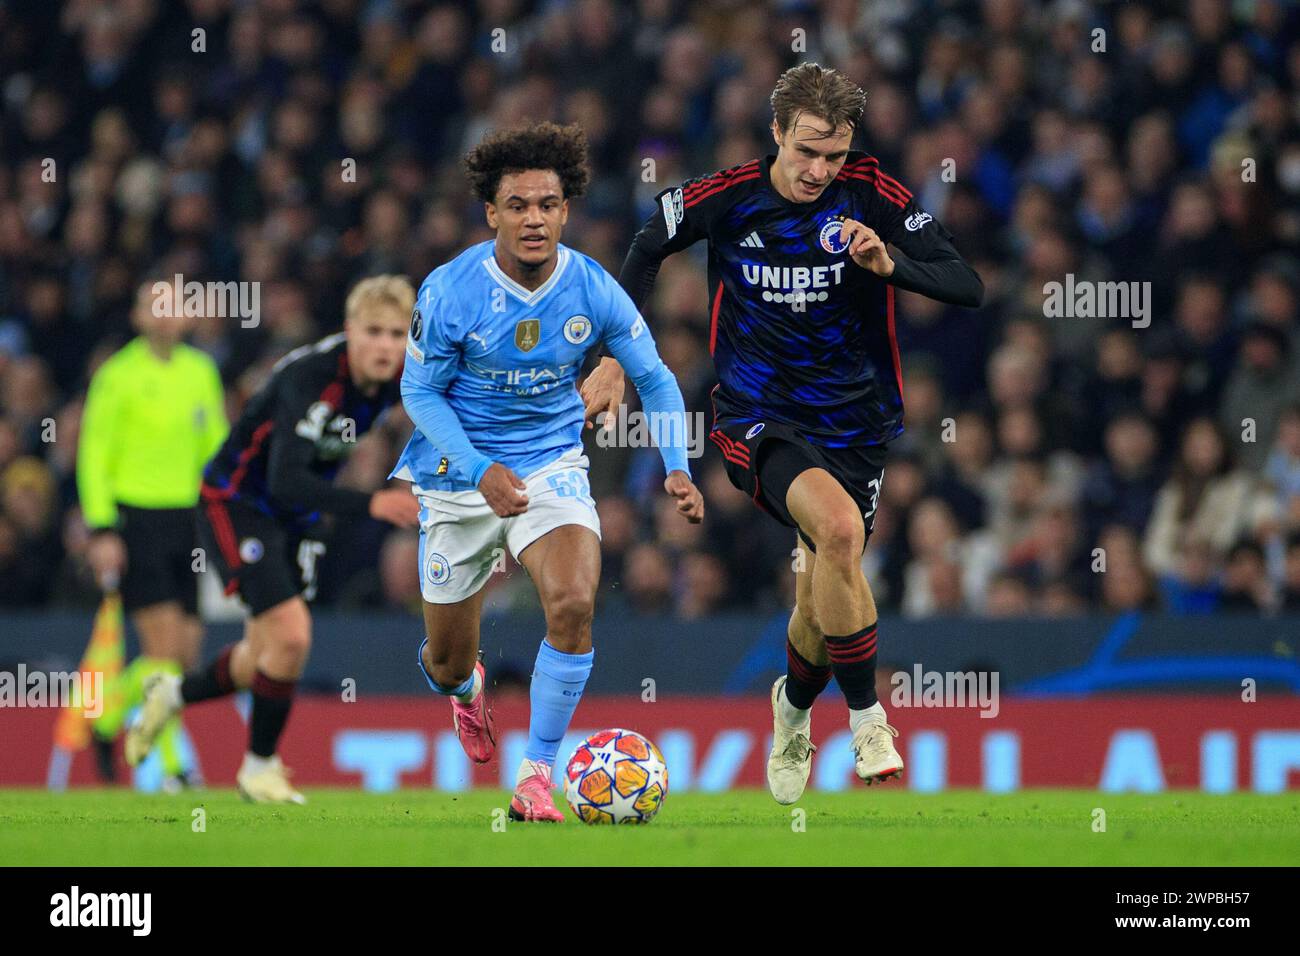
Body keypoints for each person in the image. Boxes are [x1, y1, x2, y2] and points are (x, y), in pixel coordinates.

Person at [582, 63, 983, 803]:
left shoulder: (873, 195)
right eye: (806, 152)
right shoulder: (727, 196)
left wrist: (888, 262)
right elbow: (643, 248)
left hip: (855, 424)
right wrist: (612, 357)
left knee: (818, 597)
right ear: (776, 133)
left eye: (834, 156)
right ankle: (868, 723)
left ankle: (792, 710)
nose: (820, 171)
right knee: (836, 535)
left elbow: (966, 284)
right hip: (754, 413)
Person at [393, 121, 703, 822]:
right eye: (518, 205)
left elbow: (654, 378)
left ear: (565, 211)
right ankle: (466, 690)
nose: (534, 218)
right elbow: (419, 393)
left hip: (550, 463)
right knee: (444, 663)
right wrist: (478, 469)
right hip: (455, 473)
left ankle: (536, 773)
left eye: (548, 204)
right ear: (492, 213)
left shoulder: (592, 288)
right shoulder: (450, 291)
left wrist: (678, 466)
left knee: (570, 603)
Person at [128, 276, 421, 803]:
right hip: (236, 502)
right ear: (349, 331)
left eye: (397, 334)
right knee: (292, 636)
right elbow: (285, 478)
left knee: (265, 653)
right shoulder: (309, 378)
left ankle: (171, 693)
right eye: (373, 332)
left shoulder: (398, 377)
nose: (385, 345)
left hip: (295, 514)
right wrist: (372, 502)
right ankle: (258, 768)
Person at [77, 280, 228, 786]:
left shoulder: (200, 372)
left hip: (188, 523)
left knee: (185, 658)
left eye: (174, 307)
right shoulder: (117, 376)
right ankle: (172, 769)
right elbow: (94, 455)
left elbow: (216, 448)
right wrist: (102, 527)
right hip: (136, 520)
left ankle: (105, 715)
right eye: (154, 306)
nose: (165, 316)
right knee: (162, 652)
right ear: (139, 317)